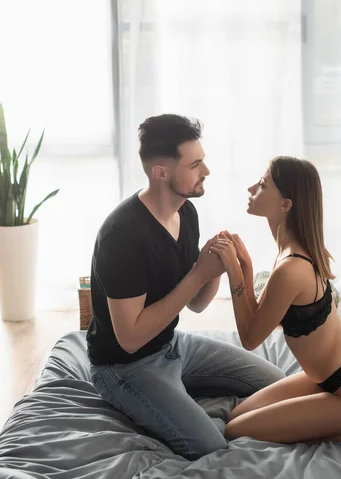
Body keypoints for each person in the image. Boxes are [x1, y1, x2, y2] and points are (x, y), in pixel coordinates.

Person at [86, 114, 284, 460]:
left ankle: (198, 403)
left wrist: (217, 268)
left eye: (203, 161)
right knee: (209, 446)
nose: (205, 171)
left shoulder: (186, 213)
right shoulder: (122, 235)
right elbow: (130, 338)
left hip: (172, 345)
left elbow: (196, 304)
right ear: (161, 172)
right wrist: (197, 273)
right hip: (124, 368)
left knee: (278, 382)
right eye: (195, 165)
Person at [210, 156, 341, 445]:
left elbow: (250, 337)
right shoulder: (291, 252)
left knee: (235, 431)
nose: (250, 188)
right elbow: (259, 317)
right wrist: (244, 265)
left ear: (286, 204)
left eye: (263, 185)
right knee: (237, 415)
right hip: (329, 377)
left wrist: (232, 271)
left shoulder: (290, 268)